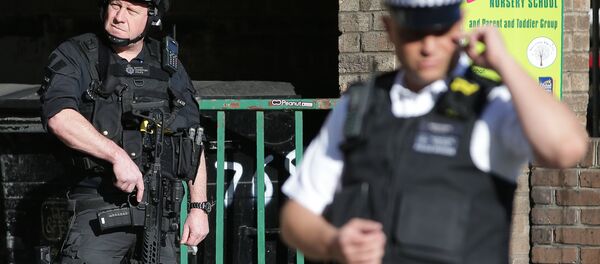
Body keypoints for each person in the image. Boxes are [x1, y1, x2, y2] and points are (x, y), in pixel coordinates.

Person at [280, 0, 589, 263]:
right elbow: (296, 218)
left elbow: (566, 148)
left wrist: (505, 64)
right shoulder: (360, 106)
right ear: (391, 30)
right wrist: (334, 242)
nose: (428, 47)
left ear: (459, 26)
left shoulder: (489, 105)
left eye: (439, 30)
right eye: (415, 33)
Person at [38, 0, 210, 263]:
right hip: (99, 207)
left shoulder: (168, 63)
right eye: (115, 5)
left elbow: (191, 138)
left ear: (151, 18)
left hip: (160, 215)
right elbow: (59, 117)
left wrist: (199, 208)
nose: (119, 17)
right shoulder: (78, 54)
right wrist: (117, 156)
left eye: (131, 10)